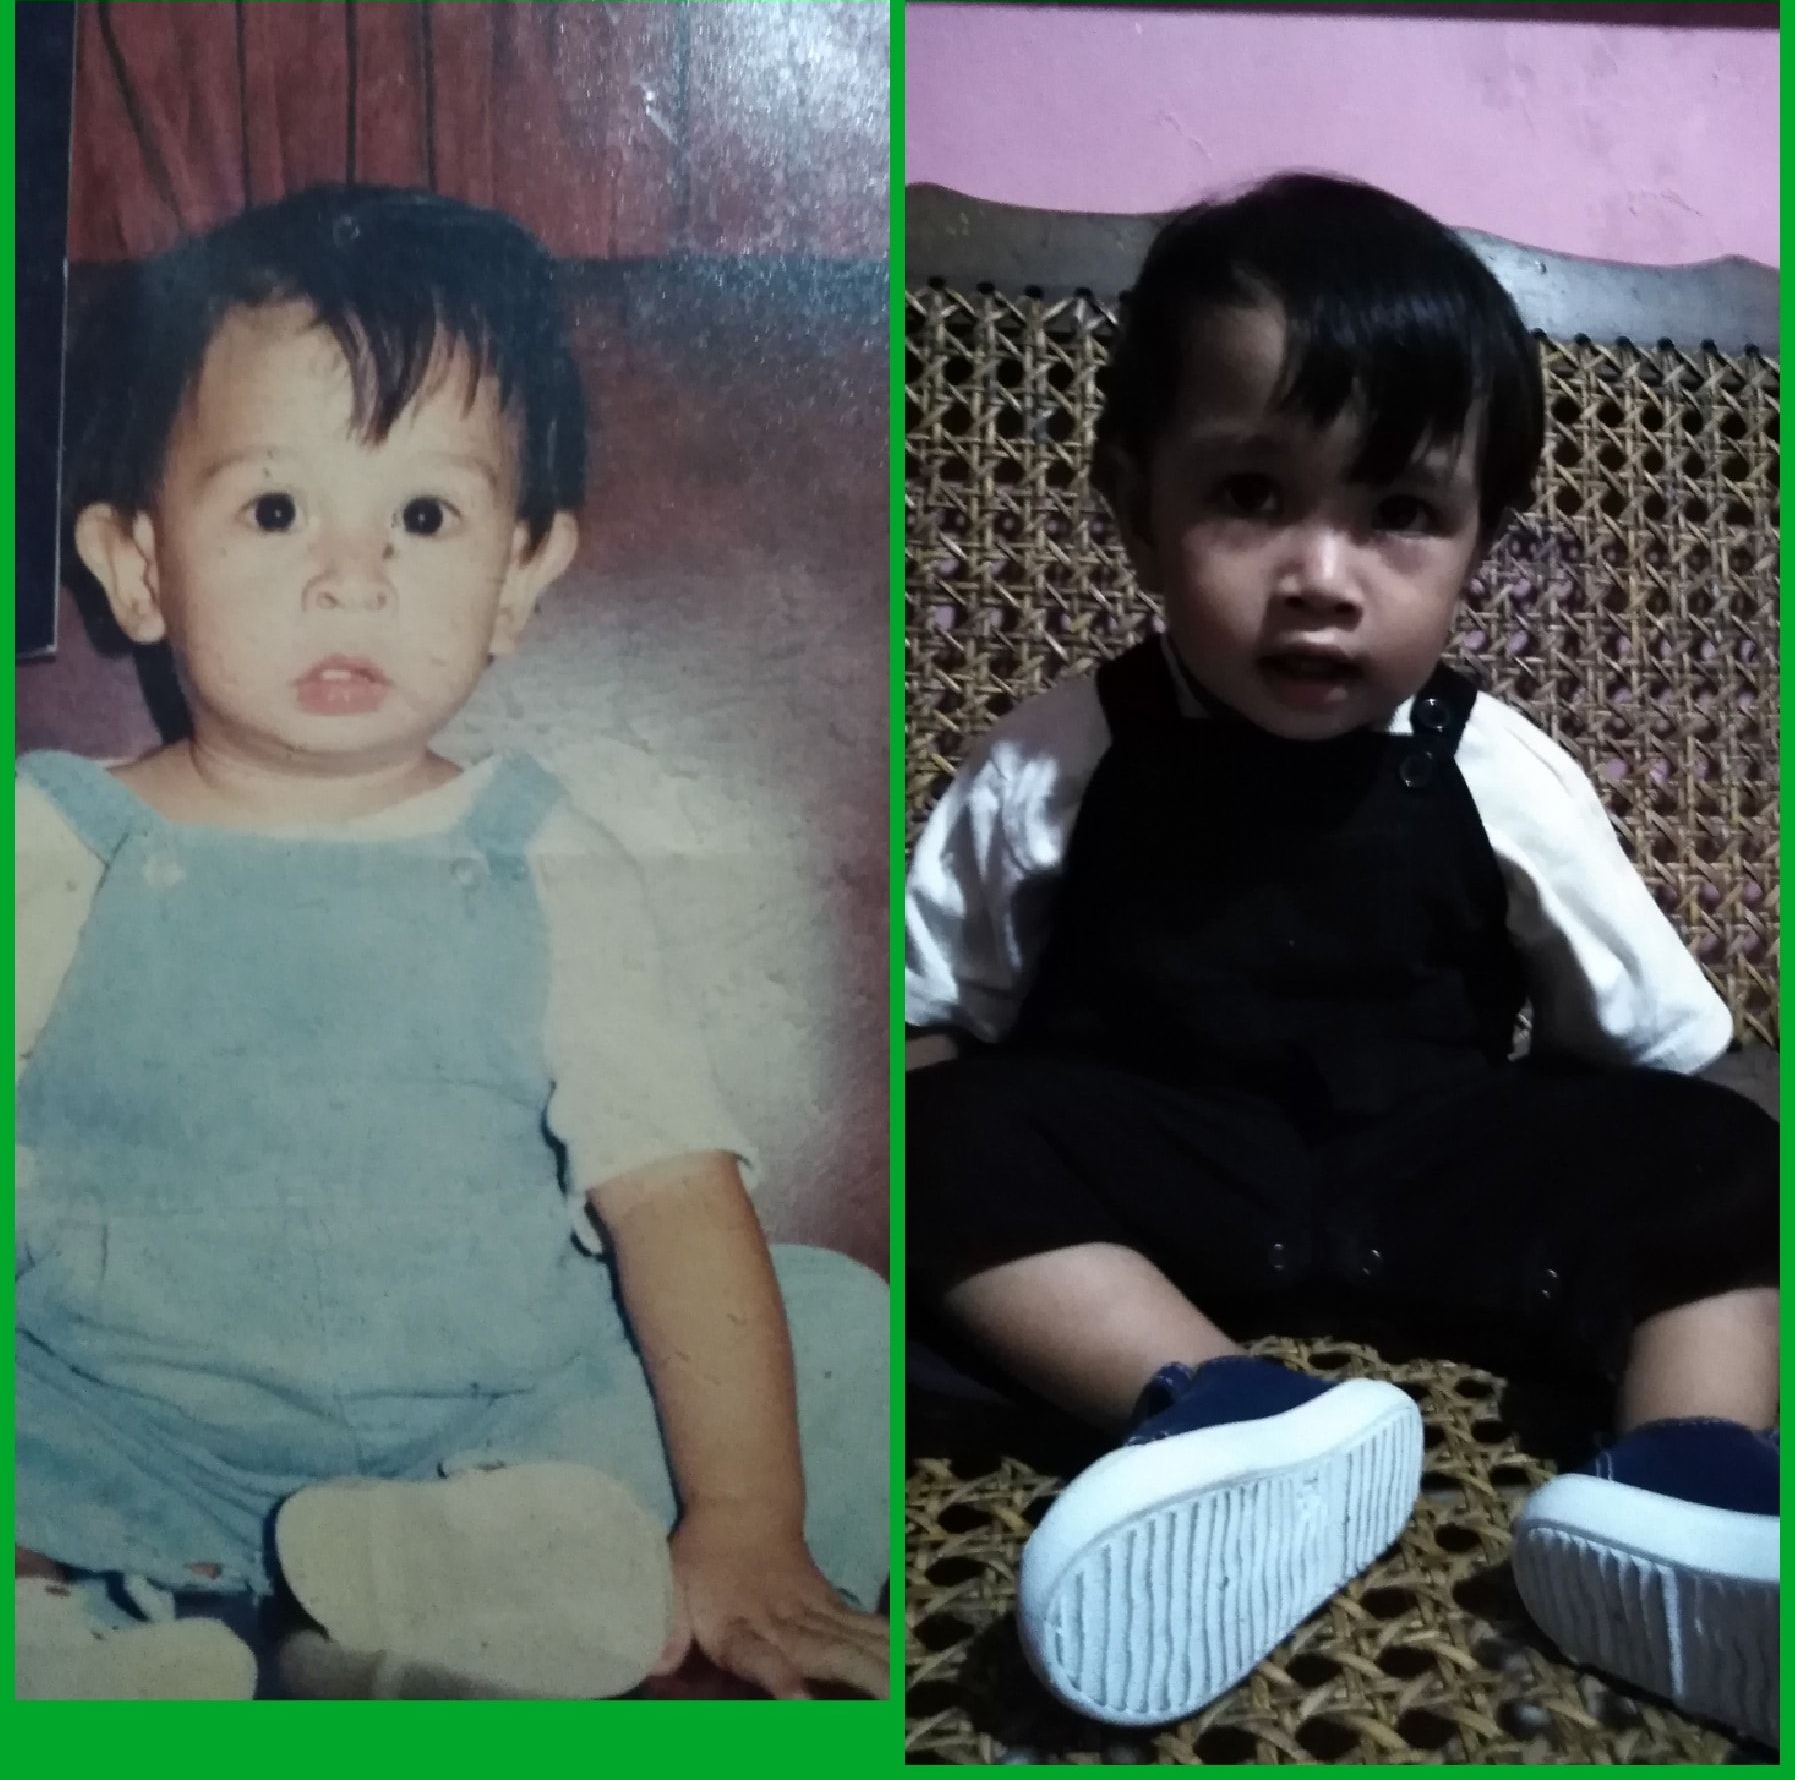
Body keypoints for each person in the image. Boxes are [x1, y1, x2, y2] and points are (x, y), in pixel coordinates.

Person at [906, 174, 1776, 1744]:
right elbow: (931, 1009)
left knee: (1724, 1155)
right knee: (922, 1136)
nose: (1322, 573)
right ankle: (1217, 1407)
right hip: (1155, 1182)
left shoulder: (1499, 769)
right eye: (1252, 494)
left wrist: (1627, 1169)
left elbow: (1650, 1037)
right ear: (1136, 506)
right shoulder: (1058, 758)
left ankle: (1695, 1479)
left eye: (1400, 514)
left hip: (1431, 1160)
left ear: (1478, 546)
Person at [16, 183, 888, 1701]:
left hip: (488, 1435)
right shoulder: (55, 839)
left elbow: (672, 1194)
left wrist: (748, 1523)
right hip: (120, 1430)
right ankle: (96, 1628)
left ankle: (460, 1574)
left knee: (838, 1333)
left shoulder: (545, 858)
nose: (351, 578)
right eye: (276, 510)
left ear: (521, 576)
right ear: (139, 564)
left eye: (423, 517)